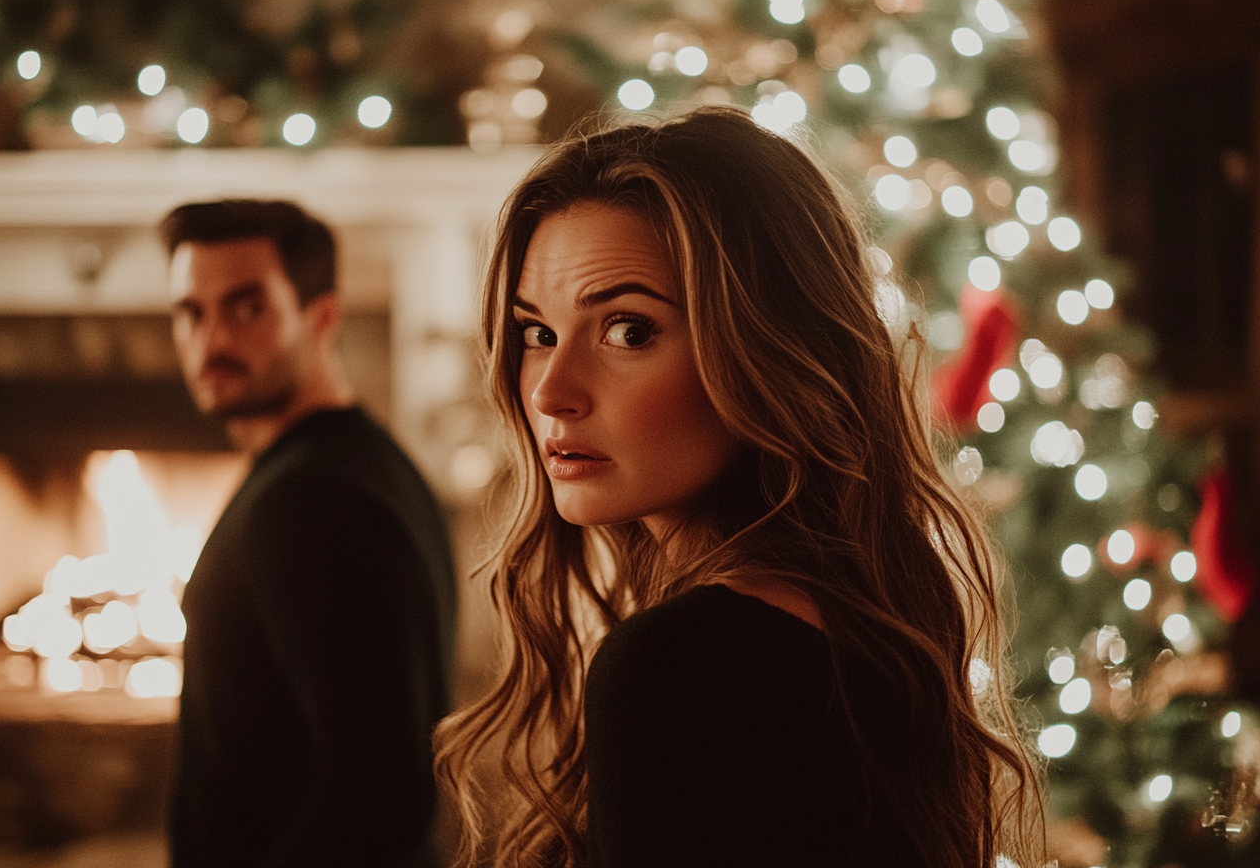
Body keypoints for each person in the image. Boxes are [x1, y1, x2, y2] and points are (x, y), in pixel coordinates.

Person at [434, 108, 1045, 868]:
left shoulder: (682, 665)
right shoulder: (860, 603)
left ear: (766, 348)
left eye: (627, 330)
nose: (552, 392)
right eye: (537, 333)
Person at [160, 199, 456, 868]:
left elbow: (381, 794)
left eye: (246, 307)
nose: (211, 342)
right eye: (190, 311)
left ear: (321, 316)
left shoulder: (315, 500)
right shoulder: (345, 466)